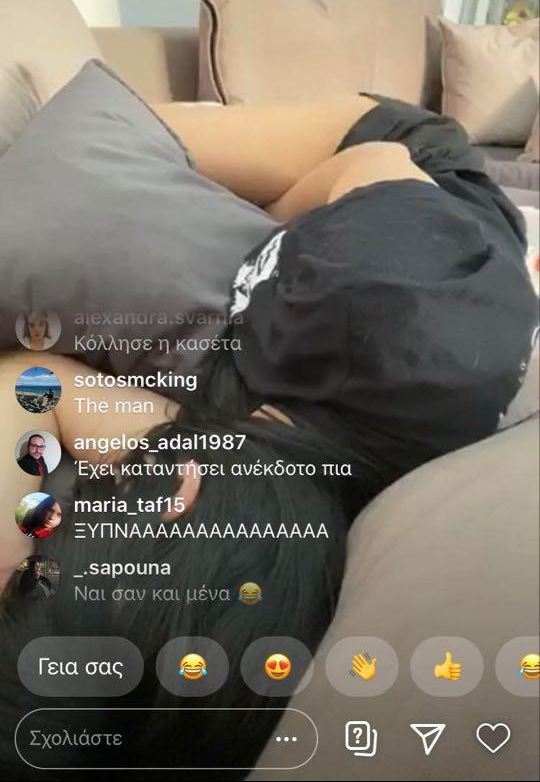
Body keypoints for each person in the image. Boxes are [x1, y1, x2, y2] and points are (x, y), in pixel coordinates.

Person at [0, 93, 536, 771]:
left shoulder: (257, 513)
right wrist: (279, 223)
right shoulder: (388, 305)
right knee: (121, 124)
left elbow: (31, 380)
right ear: (179, 496)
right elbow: (374, 158)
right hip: (408, 174)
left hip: (343, 273)